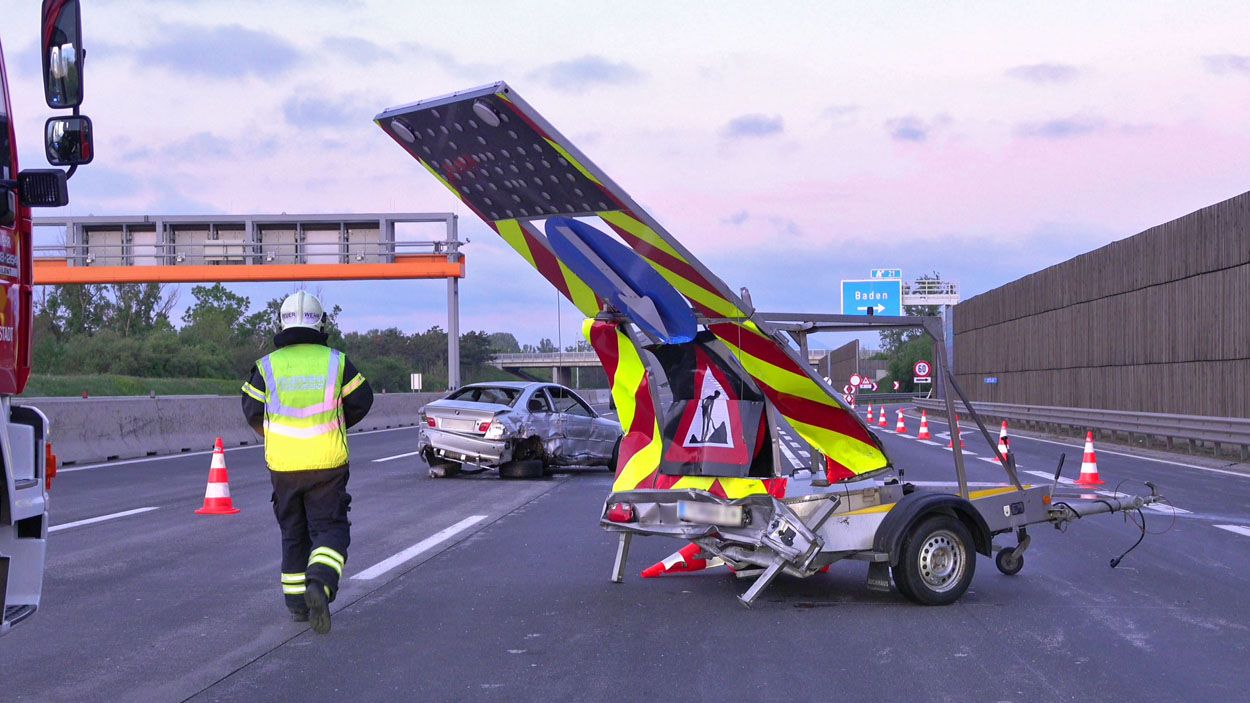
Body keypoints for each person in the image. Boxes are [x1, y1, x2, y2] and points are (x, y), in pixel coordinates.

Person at [241, 292, 373, 634]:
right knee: (329, 528)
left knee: (293, 533)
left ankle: (298, 606)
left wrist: (278, 435)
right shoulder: (337, 362)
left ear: (281, 323)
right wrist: (336, 424)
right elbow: (362, 400)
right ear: (321, 322)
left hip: (283, 466)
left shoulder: (267, 365)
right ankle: (320, 582)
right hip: (327, 464)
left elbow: (252, 411)